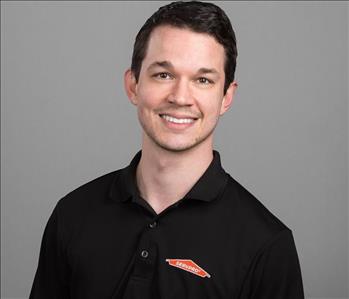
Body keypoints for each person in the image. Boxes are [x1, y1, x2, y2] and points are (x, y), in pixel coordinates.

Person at [29, 1, 305, 298]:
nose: (180, 97)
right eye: (163, 74)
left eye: (203, 80)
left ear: (226, 97)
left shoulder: (266, 245)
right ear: (133, 85)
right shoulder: (73, 215)